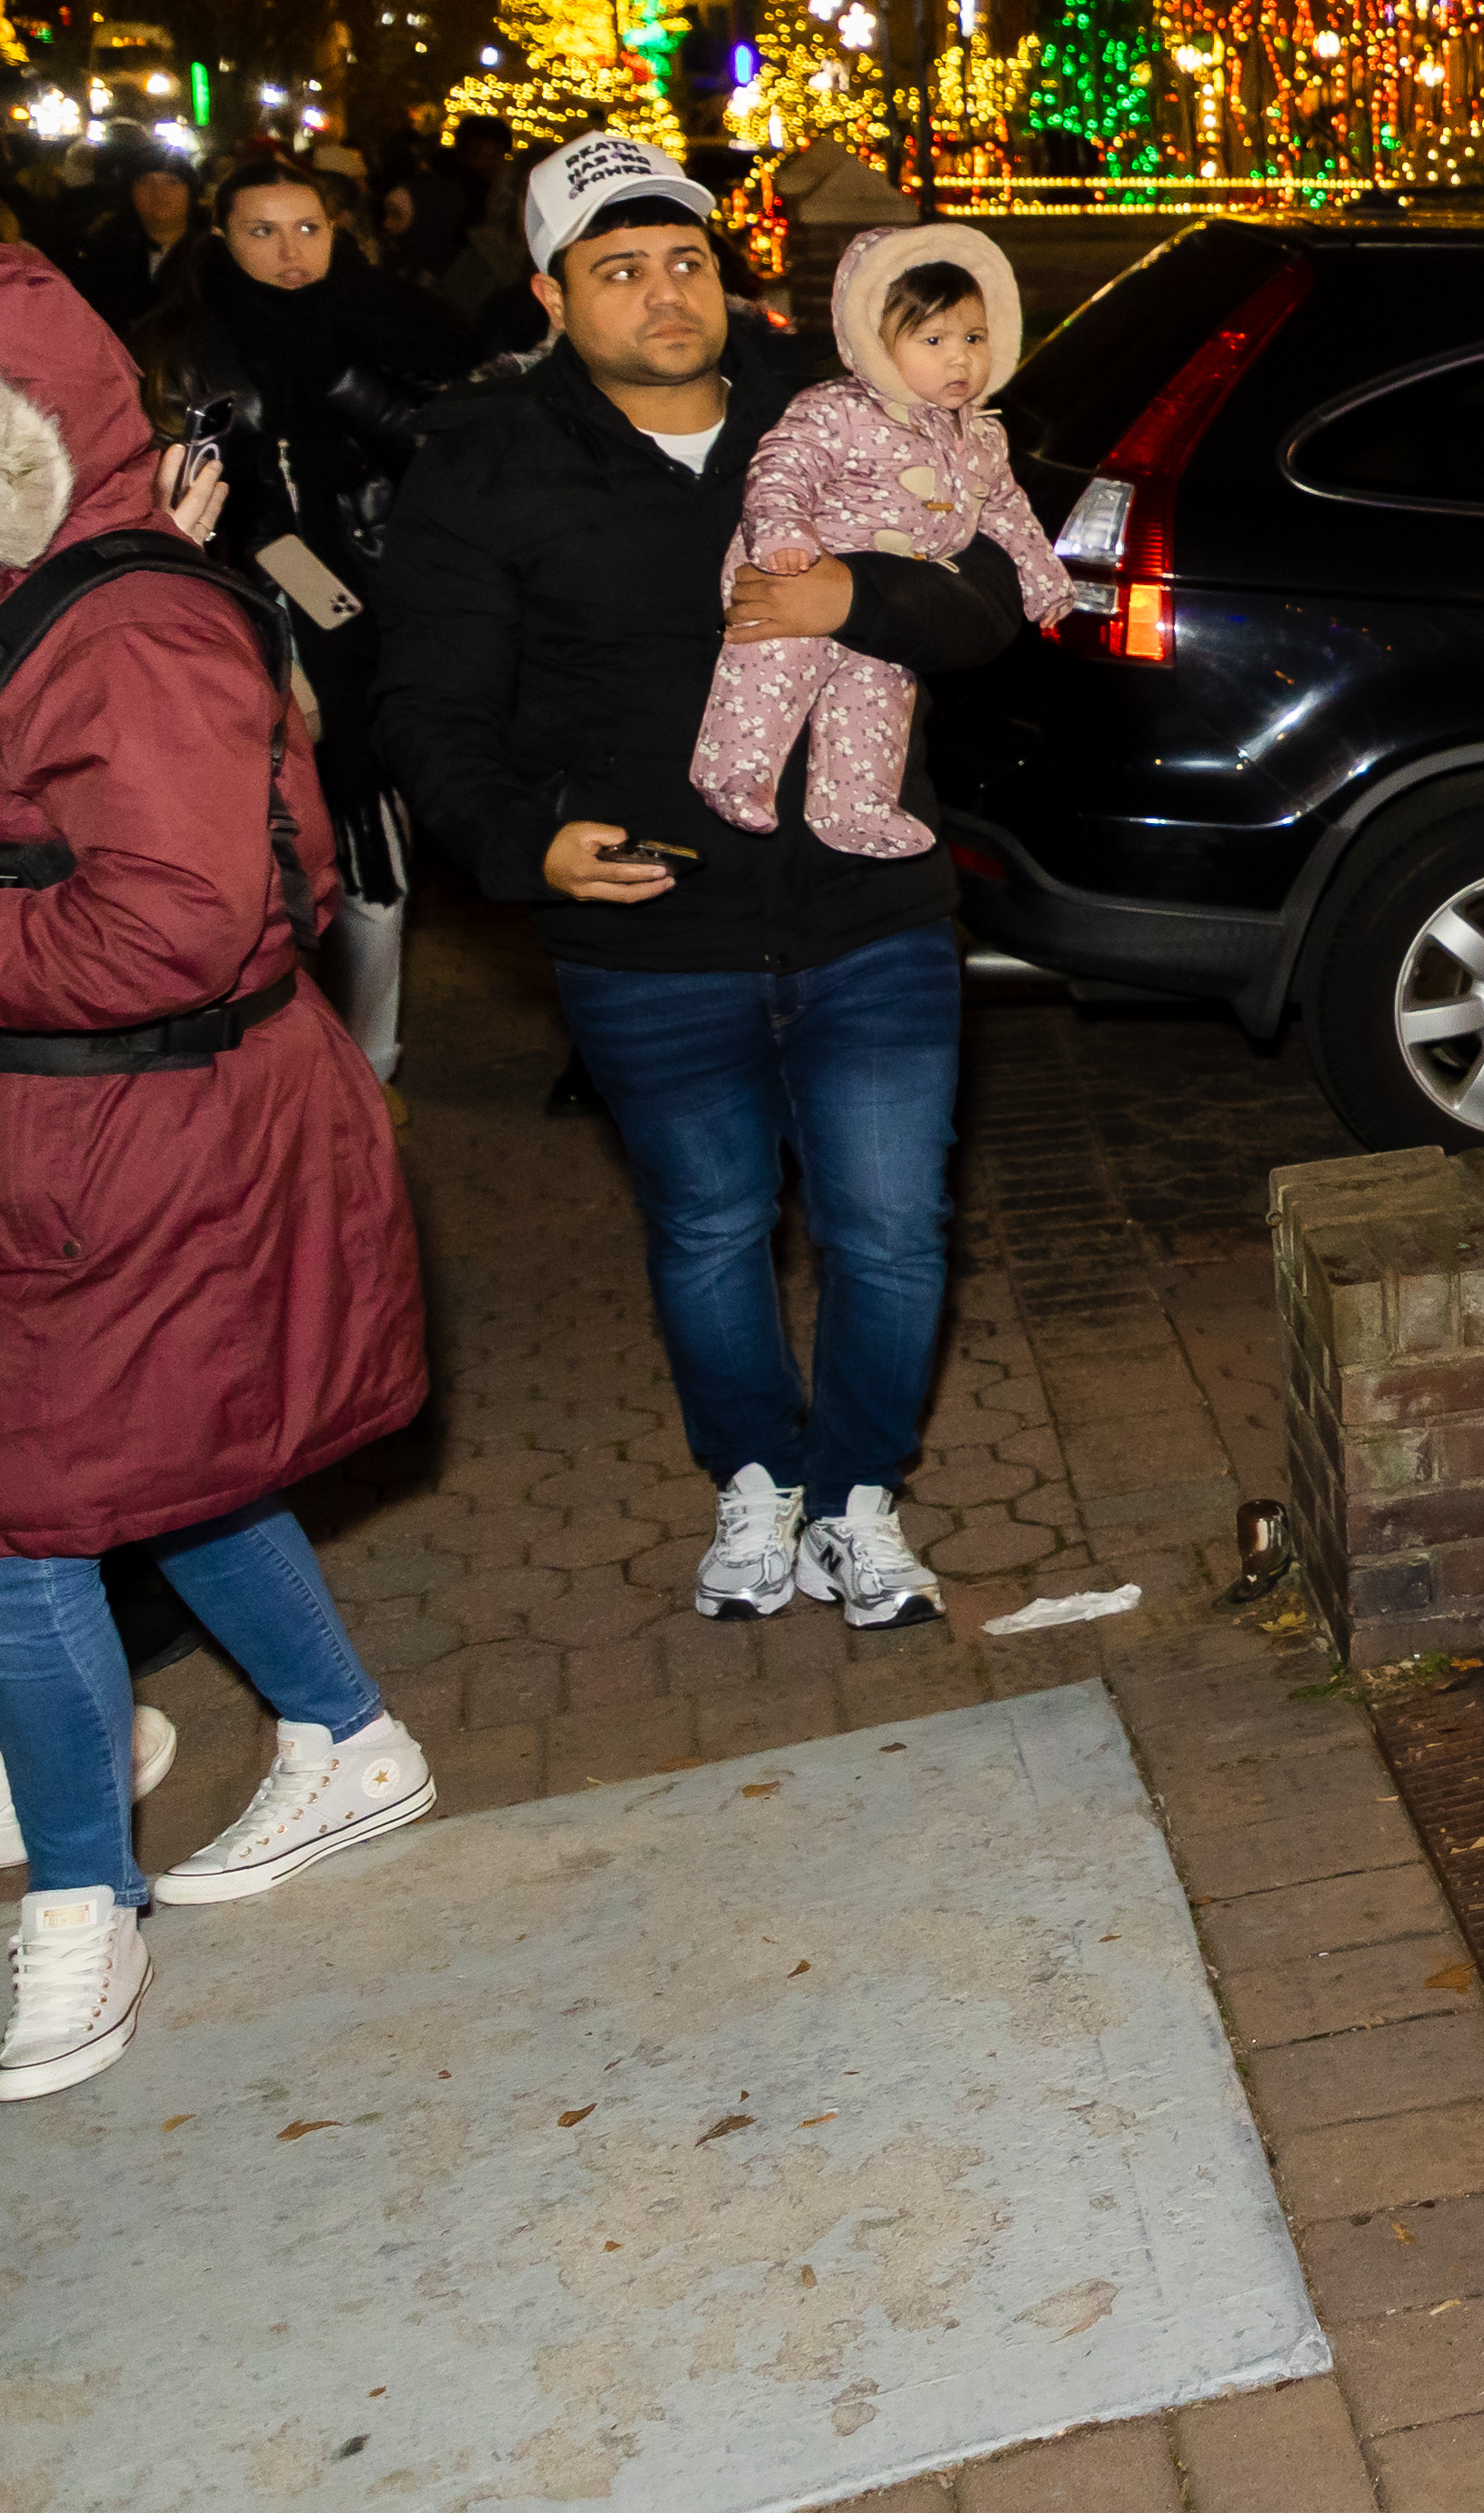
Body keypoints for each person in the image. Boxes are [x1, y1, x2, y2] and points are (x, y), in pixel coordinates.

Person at [0, 235, 433, 2097]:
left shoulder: (126, 621)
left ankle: (78, 1895)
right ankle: (346, 1734)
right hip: (45, 1140)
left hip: (120, 1140)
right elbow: (32, 802)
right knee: (161, 1463)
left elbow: (161, 931)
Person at [378, 133, 1041, 1636]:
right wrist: (516, 843)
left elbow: (994, 602)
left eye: (685, 260)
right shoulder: (486, 458)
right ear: (553, 295)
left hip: (868, 902)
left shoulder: (842, 403)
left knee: (891, 1225)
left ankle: (860, 1495)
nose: (663, 295)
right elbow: (427, 705)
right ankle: (758, 1476)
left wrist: (854, 595)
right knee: (708, 1224)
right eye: (618, 270)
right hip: (647, 925)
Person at [144, 155, 488, 1077]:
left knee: (379, 855)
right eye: (263, 231)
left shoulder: (388, 321)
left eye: (309, 228)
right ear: (223, 237)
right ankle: (293, 1059)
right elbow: (179, 488)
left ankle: (372, 1062)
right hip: (253, 618)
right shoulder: (192, 342)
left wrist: (343, 382)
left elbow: (454, 451)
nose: (290, 251)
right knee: (278, 848)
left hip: (391, 603)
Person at [688, 226, 1071, 855]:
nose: (960, 359)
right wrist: (783, 531)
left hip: (890, 593)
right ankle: (734, 773)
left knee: (877, 697)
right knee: (771, 673)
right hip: (794, 573)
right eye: (934, 340)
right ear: (874, 344)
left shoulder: (978, 437)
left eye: (974, 338)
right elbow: (783, 467)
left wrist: (1042, 577)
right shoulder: (836, 409)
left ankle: (856, 807)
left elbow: (1006, 510)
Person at [72, 156, 203, 330]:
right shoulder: (103, 249)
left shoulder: (213, 252)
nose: (158, 192)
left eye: (172, 182)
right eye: (144, 181)